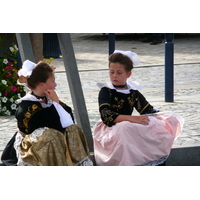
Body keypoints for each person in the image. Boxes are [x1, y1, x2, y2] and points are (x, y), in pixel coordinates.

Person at [92, 50, 184, 166]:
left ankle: (152, 159)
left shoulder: (132, 92)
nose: (114, 76)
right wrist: (132, 119)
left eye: (119, 72)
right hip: (110, 127)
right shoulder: (106, 91)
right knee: (125, 128)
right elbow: (106, 116)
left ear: (128, 74)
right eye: (111, 72)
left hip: (127, 125)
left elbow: (147, 110)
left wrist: (163, 116)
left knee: (158, 122)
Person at [1, 60, 93, 166]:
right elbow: (55, 124)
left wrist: (56, 102)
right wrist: (56, 104)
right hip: (31, 147)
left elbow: (69, 120)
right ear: (41, 85)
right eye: (53, 81)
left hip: (52, 140)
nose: (56, 84)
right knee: (50, 135)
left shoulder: (49, 99)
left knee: (74, 129)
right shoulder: (27, 108)